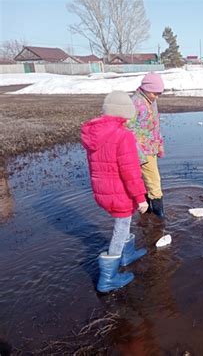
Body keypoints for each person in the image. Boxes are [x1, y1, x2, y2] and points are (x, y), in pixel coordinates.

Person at [81, 91, 149, 293]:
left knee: (123, 222)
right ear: (124, 112)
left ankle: (127, 255)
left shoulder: (95, 133)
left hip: (103, 190)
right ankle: (108, 279)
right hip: (119, 191)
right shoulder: (123, 136)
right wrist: (141, 198)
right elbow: (130, 172)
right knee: (121, 226)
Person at [128, 72, 166, 219]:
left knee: (146, 180)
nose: (156, 96)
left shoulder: (151, 101)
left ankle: (147, 215)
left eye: (159, 94)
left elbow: (155, 126)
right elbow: (127, 130)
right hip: (141, 151)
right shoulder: (135, 103)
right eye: (155, 93)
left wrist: (159, 145)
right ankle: (159, 219)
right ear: (146, 89)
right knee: (154, 182)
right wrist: (139, 154)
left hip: (151, 148)